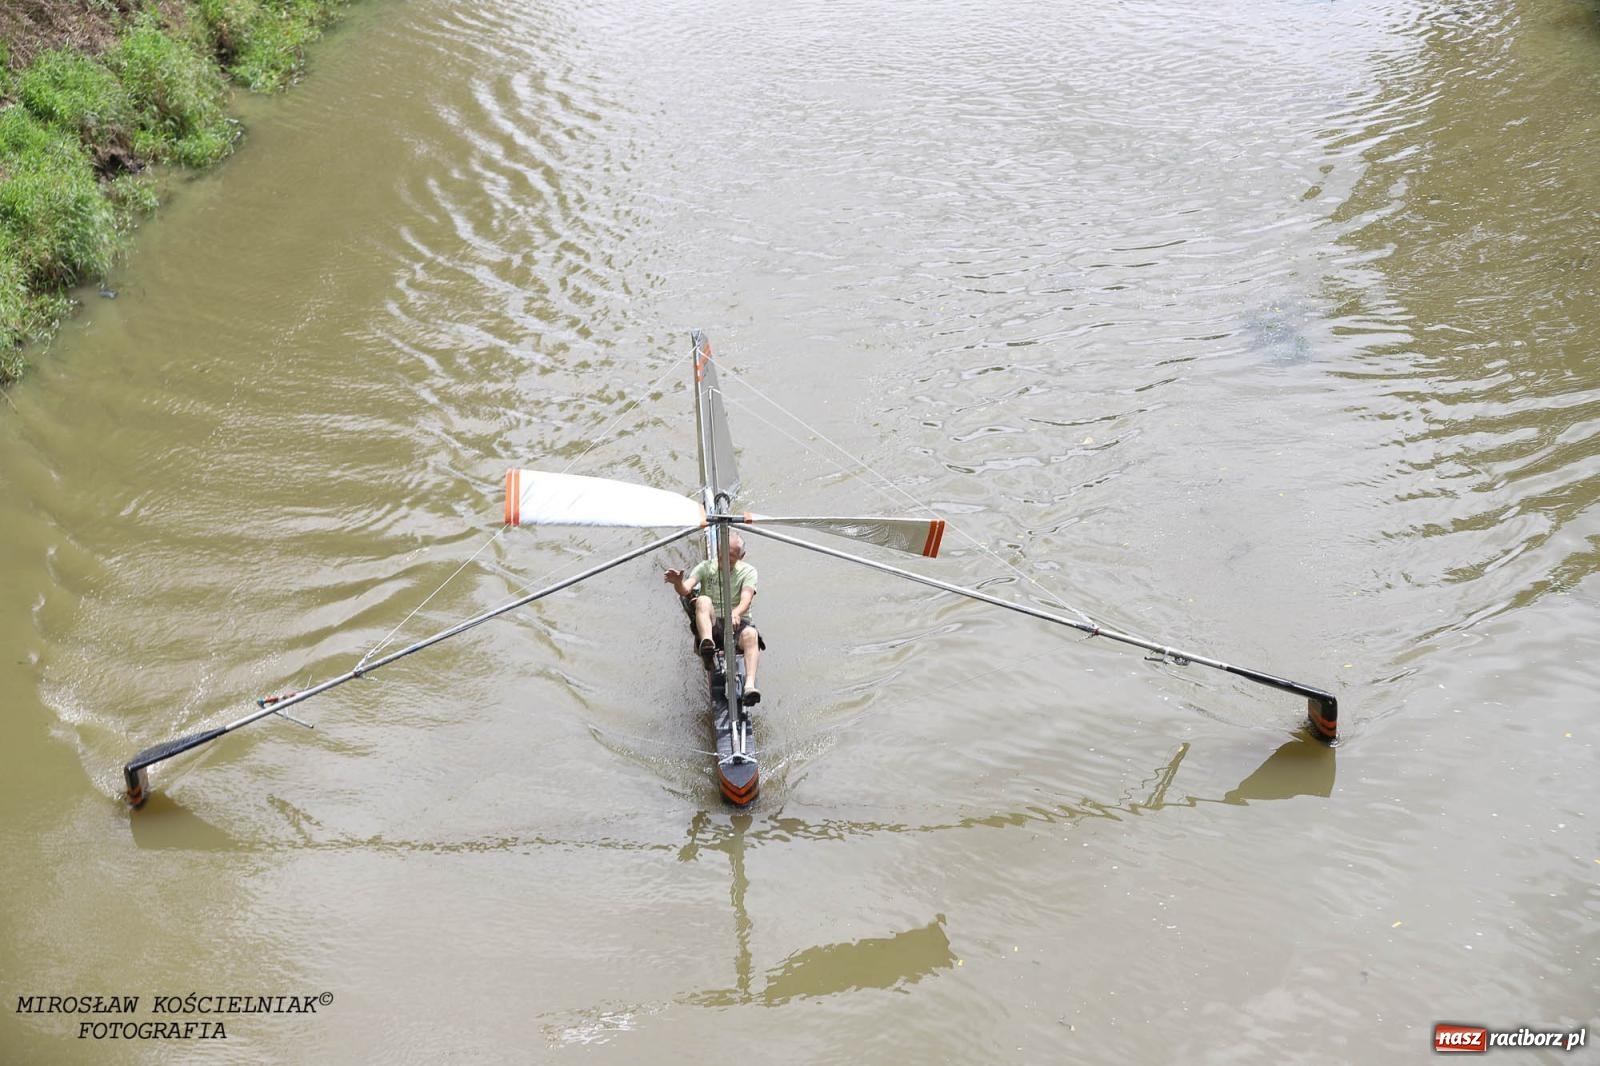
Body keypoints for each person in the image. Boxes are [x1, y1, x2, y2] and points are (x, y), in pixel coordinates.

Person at [663, 532, 764, 706]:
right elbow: (685, 589)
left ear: (741, 556)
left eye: (731, 558)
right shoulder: (705, 567)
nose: (724, 562)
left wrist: (736, 612)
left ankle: (749, 687)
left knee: (752, 635)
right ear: (718, 551)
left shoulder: (749, 571)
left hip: (736, 623)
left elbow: (746, 600)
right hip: (712, 624)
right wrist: (678, 583)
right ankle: (707, 645)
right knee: (702, 600)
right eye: (722, 556)